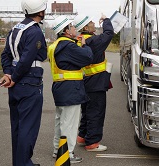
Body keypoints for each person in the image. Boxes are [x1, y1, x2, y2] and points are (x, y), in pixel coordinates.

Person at [0, 0, 48, 165]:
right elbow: (30, 58)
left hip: (16, 85)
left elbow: (5, 54)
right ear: (40, 12)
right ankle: (24, 164)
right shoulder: (35, 32)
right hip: (29, 83)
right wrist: (14, 77)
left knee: (18, 127)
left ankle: (19, 162)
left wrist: (8, 73)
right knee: (28, 128)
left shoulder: (15, 29)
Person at [48, 15, 93, 163]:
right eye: (72, 26)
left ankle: (58, 150)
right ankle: (68, 153)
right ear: (66, 31)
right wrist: (85, 45)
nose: (75, 28)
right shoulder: (68, 46)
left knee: (60, 121)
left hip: (60, 87)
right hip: (71, 89)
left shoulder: (56, 45)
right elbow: (88, 57)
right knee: (70, 124)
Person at [74, 14, 114, 151]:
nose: (93, 23)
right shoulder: (94, 41)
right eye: (90, 22)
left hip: (84, 81)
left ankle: (82, 136)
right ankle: (92, 142)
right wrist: (106, 20)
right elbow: (109, 34)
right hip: (95, 82)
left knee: (86, 111)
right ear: (85, 27)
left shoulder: (78, 40)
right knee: (96, 111)